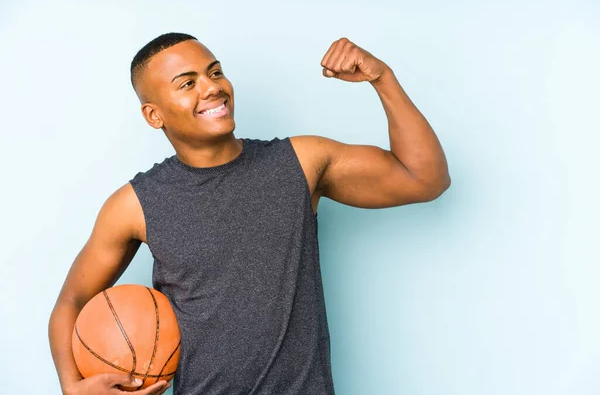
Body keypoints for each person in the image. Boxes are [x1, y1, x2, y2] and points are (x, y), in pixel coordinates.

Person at [48, 32, 450, 395]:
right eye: (188, 83)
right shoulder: (135, 204)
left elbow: (424, 179)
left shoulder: (300, 163)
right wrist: (72, 386)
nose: (212, 88)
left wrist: (383, 78)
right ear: (155, 115)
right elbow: (73, 299)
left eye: (215, 72)